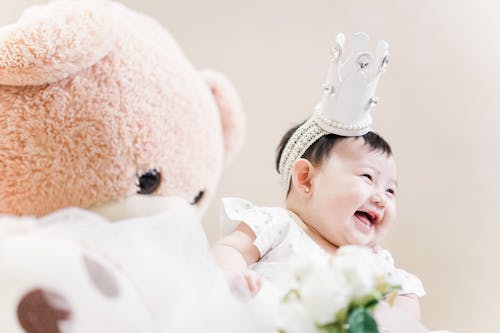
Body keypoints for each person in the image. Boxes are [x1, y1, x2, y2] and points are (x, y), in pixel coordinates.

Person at [212, 32, 425, 323]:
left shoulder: (374, 264)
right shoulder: (278, 226)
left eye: (390, 190)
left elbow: (406, 301)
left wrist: (394, 318)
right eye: (367, 177)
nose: (381, 197)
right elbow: (229, 249)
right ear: (306, 180)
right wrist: (232, 275)